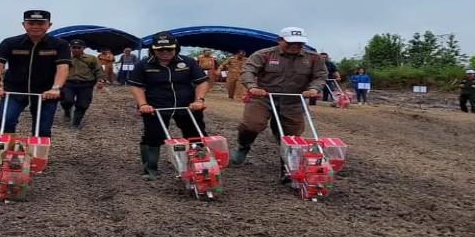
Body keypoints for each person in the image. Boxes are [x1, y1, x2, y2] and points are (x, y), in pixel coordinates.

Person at [231, 27, 327, 174]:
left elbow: (320, 76)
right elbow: (248, 71)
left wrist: (314, 89)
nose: (295, 46)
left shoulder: (313, 58)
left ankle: (288, 165)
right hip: (263, 97)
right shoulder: (264, 55)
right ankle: (244, 146)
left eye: (299, 43)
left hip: (293, 100)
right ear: (280, 40)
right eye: (291, 42)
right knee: (251, 125)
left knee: (292, 135)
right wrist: (252, 86)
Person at [127, 32, 210, 180]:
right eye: (160, 50)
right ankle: (150, 169)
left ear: (176, 48)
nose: (165, 53)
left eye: (169, 49)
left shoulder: (188, 62)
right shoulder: (143, 65)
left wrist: (199, 100)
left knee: (196, 135)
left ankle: (201, 166)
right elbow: (136, 86)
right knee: (152, 136)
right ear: (153, 49)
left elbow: (201, 82)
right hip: (156, 106)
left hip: (187, 106)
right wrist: (143, 104)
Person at [0, 10, 70, 138]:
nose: (35, 26)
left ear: (49, 25)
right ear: (24, 24)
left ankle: (38, 156)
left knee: (42, 129)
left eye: (41, 23)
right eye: (31, 23)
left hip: (47, 93)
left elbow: (63, 67)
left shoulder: (60, 45)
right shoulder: (10, 43)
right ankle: (5, 154)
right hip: (14, 91)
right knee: (6, 122)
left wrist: (56, 88)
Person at [61, 39, 105, 129]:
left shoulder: (91, 58)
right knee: (67, 100)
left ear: (83, 48)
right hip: (68, 84)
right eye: (74, 47)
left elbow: (98, 69)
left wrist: (100, 80)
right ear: (70, 48)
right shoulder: (65, 57)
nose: (76, 49)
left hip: (86, 84)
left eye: (78, 48)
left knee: (82, 104)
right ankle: (67, 110)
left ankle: (76, 123)